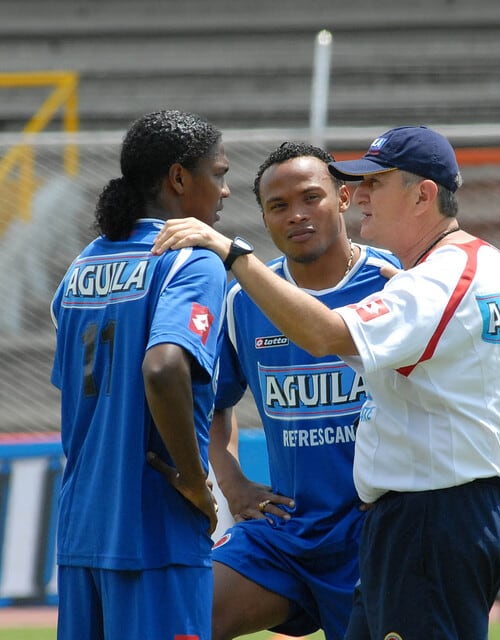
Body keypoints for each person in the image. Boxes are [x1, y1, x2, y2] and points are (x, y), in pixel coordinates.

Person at [152, 125, 500, 640]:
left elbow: (325, 334)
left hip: (410, 520)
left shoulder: (411, 283)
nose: (298, 214)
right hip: (306, 529)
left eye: (315, 196)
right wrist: (231, 478)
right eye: (278, 205)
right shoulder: (483, 266)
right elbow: (216, 399)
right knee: (182, 618)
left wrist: (232, 254)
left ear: (343, 198)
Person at [50, 109, 230, 640]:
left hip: (82, 528)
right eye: (217, 174)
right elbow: (163, 366)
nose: (223, 192)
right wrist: (197, 484)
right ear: (179, 178)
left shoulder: (81, 266)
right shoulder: (191, 261)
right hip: (155, 529)